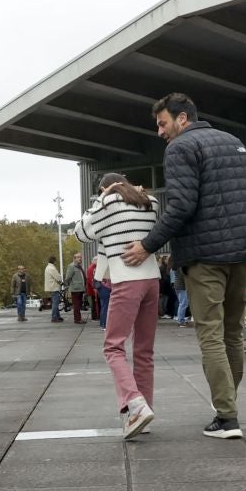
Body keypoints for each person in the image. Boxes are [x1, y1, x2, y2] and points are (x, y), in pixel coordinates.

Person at [120, 92, 246, 440]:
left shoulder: (181, 148)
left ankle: (227, 417)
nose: (160, 132)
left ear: (182, 119)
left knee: (211, 335)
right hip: (244, 252)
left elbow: (182, 206)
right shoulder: (234, 143)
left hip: (206, 257)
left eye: (162, 123)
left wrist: (147, 245)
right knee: (233, 333)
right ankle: (227, 408)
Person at [78, 171, 163, 437]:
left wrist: (100, 199)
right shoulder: (151, 202)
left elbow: (82, 232)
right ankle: (143, 411)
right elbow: (107, 239)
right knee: (144, 352)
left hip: (127, 280)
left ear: (106, 188)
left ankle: (136, 405)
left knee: (113, 347)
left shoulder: (109, 203)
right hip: (152, 280)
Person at [65, 251, 88, 323]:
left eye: (80, 257)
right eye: (78, 257)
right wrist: (70, 285)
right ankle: (77, 319)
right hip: (75, 289)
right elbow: (68, 277)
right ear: (74, 259)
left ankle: (79, 318)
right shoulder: (71, 266)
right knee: (76, 305)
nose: (80, 259)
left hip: (80, 288)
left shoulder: (79, 266)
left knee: (79, 304)